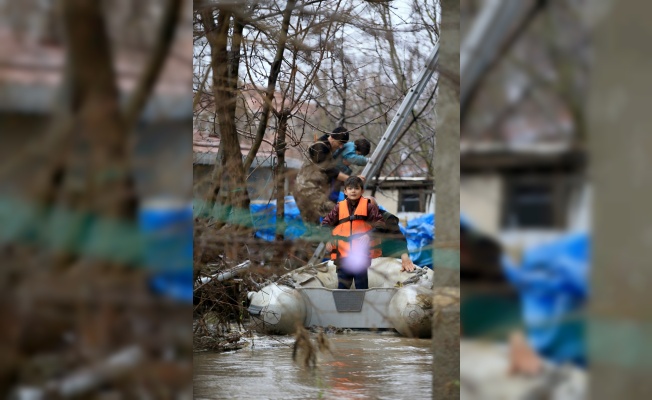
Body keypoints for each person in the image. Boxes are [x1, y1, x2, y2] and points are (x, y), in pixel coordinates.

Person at [321, 176, 384, 289]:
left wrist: (368, 235)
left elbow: (381, 224)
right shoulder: (339, 208)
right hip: (342, 257)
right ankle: (345, 307)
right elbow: (325, 224)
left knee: (361, 287)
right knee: (342, 288)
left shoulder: (369, 207)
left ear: (362, 191)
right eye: (350, 188)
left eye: (356, 188)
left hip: (360, 256)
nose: (353, 191)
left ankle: (361, 307)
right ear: (345, 191)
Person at [294, 141, 352, 226]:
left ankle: (315, 235)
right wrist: (351, 179)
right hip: (310, 193)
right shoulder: (321, 161)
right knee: (334, 213)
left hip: (299, 191)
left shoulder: (313, 153)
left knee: (312, 225)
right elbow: (333, 172)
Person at [367, 197, 416, 272]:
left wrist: (404, 256)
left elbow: (398, 238)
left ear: (377, 208)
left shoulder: (387, 218)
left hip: (386, 258)